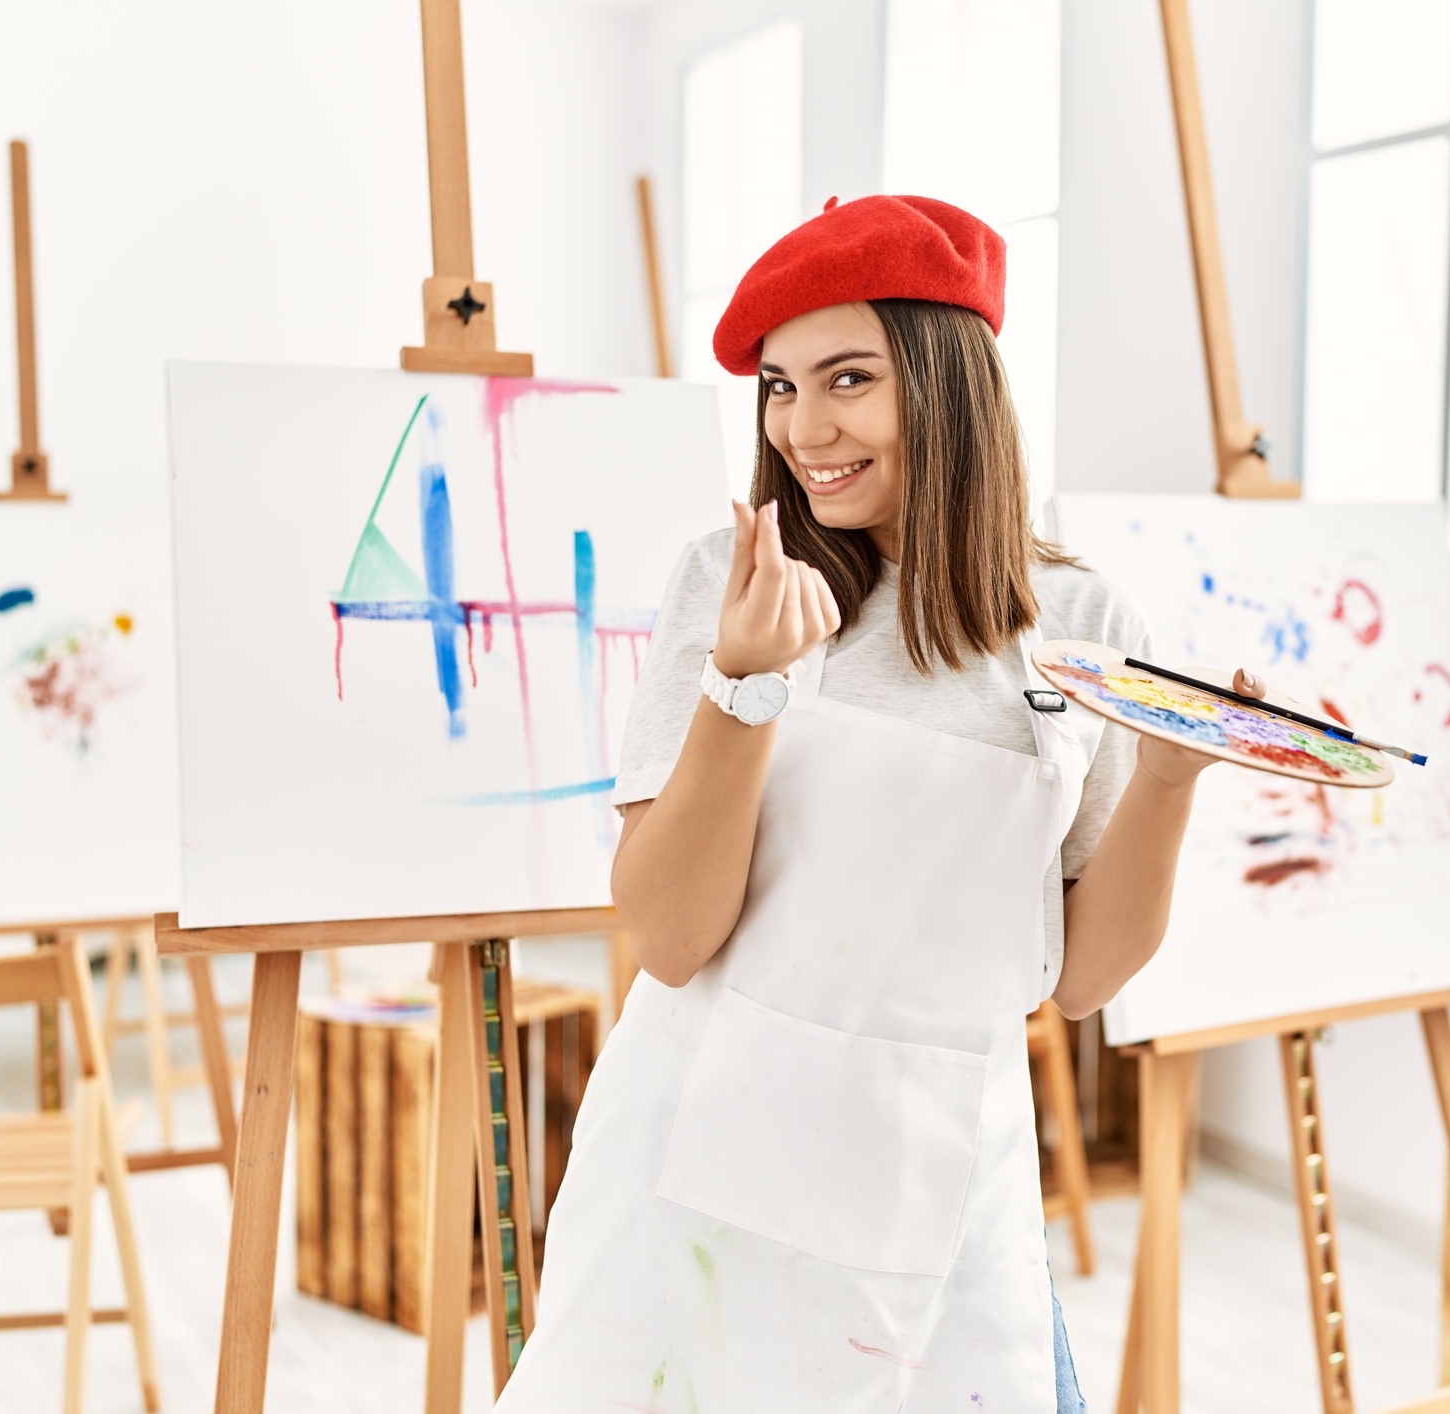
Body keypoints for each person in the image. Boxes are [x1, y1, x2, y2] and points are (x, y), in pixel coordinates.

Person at [498, 194, 1263, 1412]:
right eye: (781, 386)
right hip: (697, 1167)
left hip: (939, 1176)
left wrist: (1168, 777)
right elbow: (669, 935)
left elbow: (1083, 976)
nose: (804, 427)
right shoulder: (733, 580)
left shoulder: (1080, 625)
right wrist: (742, 685)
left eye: (847, 378)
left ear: (948, 381)